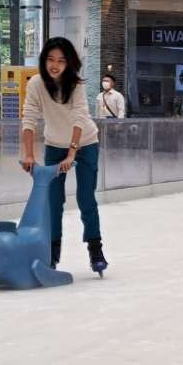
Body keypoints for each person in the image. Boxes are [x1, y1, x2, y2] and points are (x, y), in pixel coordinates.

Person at [21, 37, 108, 277]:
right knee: (53, 201)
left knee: (85, 197)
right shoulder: (36, 84)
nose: (55, 65)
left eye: (61, 60)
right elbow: (29, 117)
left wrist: (72, 153)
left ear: (69, 63)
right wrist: (28, 154)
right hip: (54, 145)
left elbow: (80, 117)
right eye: (50, 59)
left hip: (86, 143)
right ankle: (52, 251)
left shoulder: (76, 84)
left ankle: (95, 247)